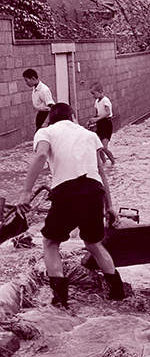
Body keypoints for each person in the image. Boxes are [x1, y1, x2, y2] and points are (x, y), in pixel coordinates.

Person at [16, 103, 125, 308]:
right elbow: (101, 172)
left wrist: (25, 192)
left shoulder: (45, 132)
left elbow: (40, 156)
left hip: (68, 191)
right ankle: (118, 294)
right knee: (93, 243)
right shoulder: (88, 134)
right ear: (73, 117)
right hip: (95, 190)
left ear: (50, 119)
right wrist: (109, 206)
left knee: (50, 242)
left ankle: (60, 302)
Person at [86, 82, 116, 165]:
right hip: (100, 125)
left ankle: (113, 162)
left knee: (104, 147)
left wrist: (97, 119)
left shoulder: (105, 100)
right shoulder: (97, 102)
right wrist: (90, 120)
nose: (93, 96)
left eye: (94, 93)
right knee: (98, 146)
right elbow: (96, 113)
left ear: (100, 91)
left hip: (106, 124)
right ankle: (104, 163)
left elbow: (107, 112)